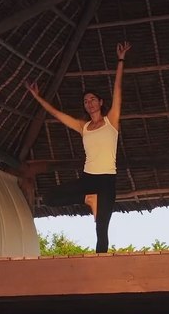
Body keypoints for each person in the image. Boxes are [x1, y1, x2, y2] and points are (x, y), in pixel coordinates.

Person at [25, 41, 130, 253]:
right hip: (88, 178)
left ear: (101, 102)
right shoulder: (83, 126)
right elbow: (56, 114)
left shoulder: (111, 121)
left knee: (102, 231)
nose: (89, 103)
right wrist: (37, 97)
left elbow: (117, 89)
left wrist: (121, 60)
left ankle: (100, 271)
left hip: (107, 181)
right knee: (49, 197)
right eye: (85, 101)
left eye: (92, 99)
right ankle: (87, 198)